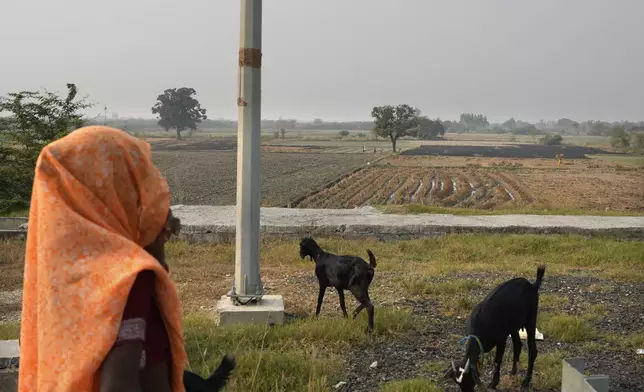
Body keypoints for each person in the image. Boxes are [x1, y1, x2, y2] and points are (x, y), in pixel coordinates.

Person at [19, 126, 187, 392]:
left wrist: (154, 243)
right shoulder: (123, 279)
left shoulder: (62, 272)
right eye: (138, 181)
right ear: (116, 191)